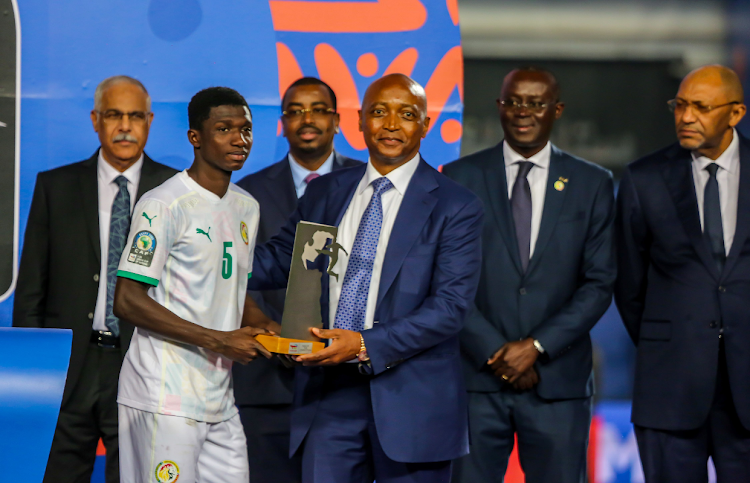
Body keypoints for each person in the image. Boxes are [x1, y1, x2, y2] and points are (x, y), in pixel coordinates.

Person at [247, 73, 484, 483]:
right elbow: (280, 260)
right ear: (359, 122)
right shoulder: (326, 193)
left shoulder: (455, 205)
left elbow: (450, 308)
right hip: (328, 396)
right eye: (379, 112)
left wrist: (362, 344)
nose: (391, 124)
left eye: (407, 114)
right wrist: (211, 257)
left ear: (426, 125)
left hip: (412, 400)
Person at [442, 67, 616, 483]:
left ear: (556, 110)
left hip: (559, 385)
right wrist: (495, 350)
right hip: (477, 381)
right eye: (514, 101)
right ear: (500, 107)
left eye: (536, 103)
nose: (524, 112)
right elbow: (448, 280)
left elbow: (599, 283)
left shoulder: (592, 183)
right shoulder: (459, 178)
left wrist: (536, 346)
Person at [12, 76, 176, 483]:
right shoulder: (56, 186)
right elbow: (32, 288)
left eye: (135, 116)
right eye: (114, 115)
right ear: (95, 120)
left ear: (150, 121)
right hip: (68, 369)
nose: (125, 126)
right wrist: (35, 373)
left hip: (146, 364)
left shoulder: (177, 191)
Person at [112, 87, 277, 483]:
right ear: (195, 138)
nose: (240, 140)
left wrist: (269, 329)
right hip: (163, 395)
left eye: (246, 129)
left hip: (219, 397)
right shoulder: (164, 204)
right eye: (224, 129)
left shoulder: (246, 207)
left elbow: (231, 289)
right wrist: (220, 340)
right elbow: (128, 301)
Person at [615, 65, 750, 483]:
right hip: (669, 387)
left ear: (735, 114)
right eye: (680, 104)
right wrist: (673, 339)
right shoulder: (644, 178)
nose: (686, 116)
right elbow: (628, 282)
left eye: (701, 107)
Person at [232, 77, 361, 483]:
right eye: (295, 110)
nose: (307, 118)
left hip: (345, 380)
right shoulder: (245, 193)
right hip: (267, 383)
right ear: (281, 122)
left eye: (318, 109)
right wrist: (271, 330)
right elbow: (234, 275)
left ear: (338, 121)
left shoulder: (366, 186)